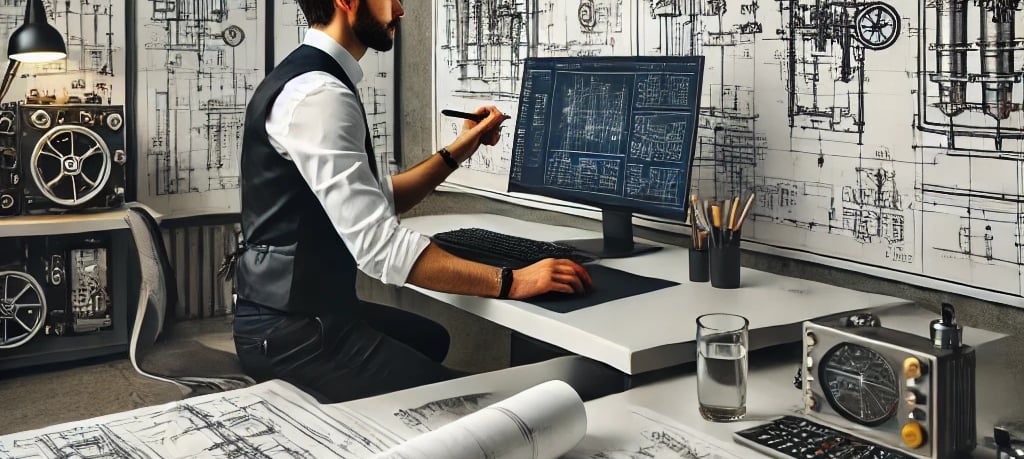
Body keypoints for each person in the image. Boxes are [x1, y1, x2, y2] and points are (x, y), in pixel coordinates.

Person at [231, 0, 593, 403]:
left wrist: (458, 150)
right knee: (462, 407)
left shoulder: (308, 80)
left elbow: (379, 197)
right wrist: (513, 280)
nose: (400, 9)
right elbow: (380, 248)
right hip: (290, 333)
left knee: (431, 337)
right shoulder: (320, 96)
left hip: (301, 312)